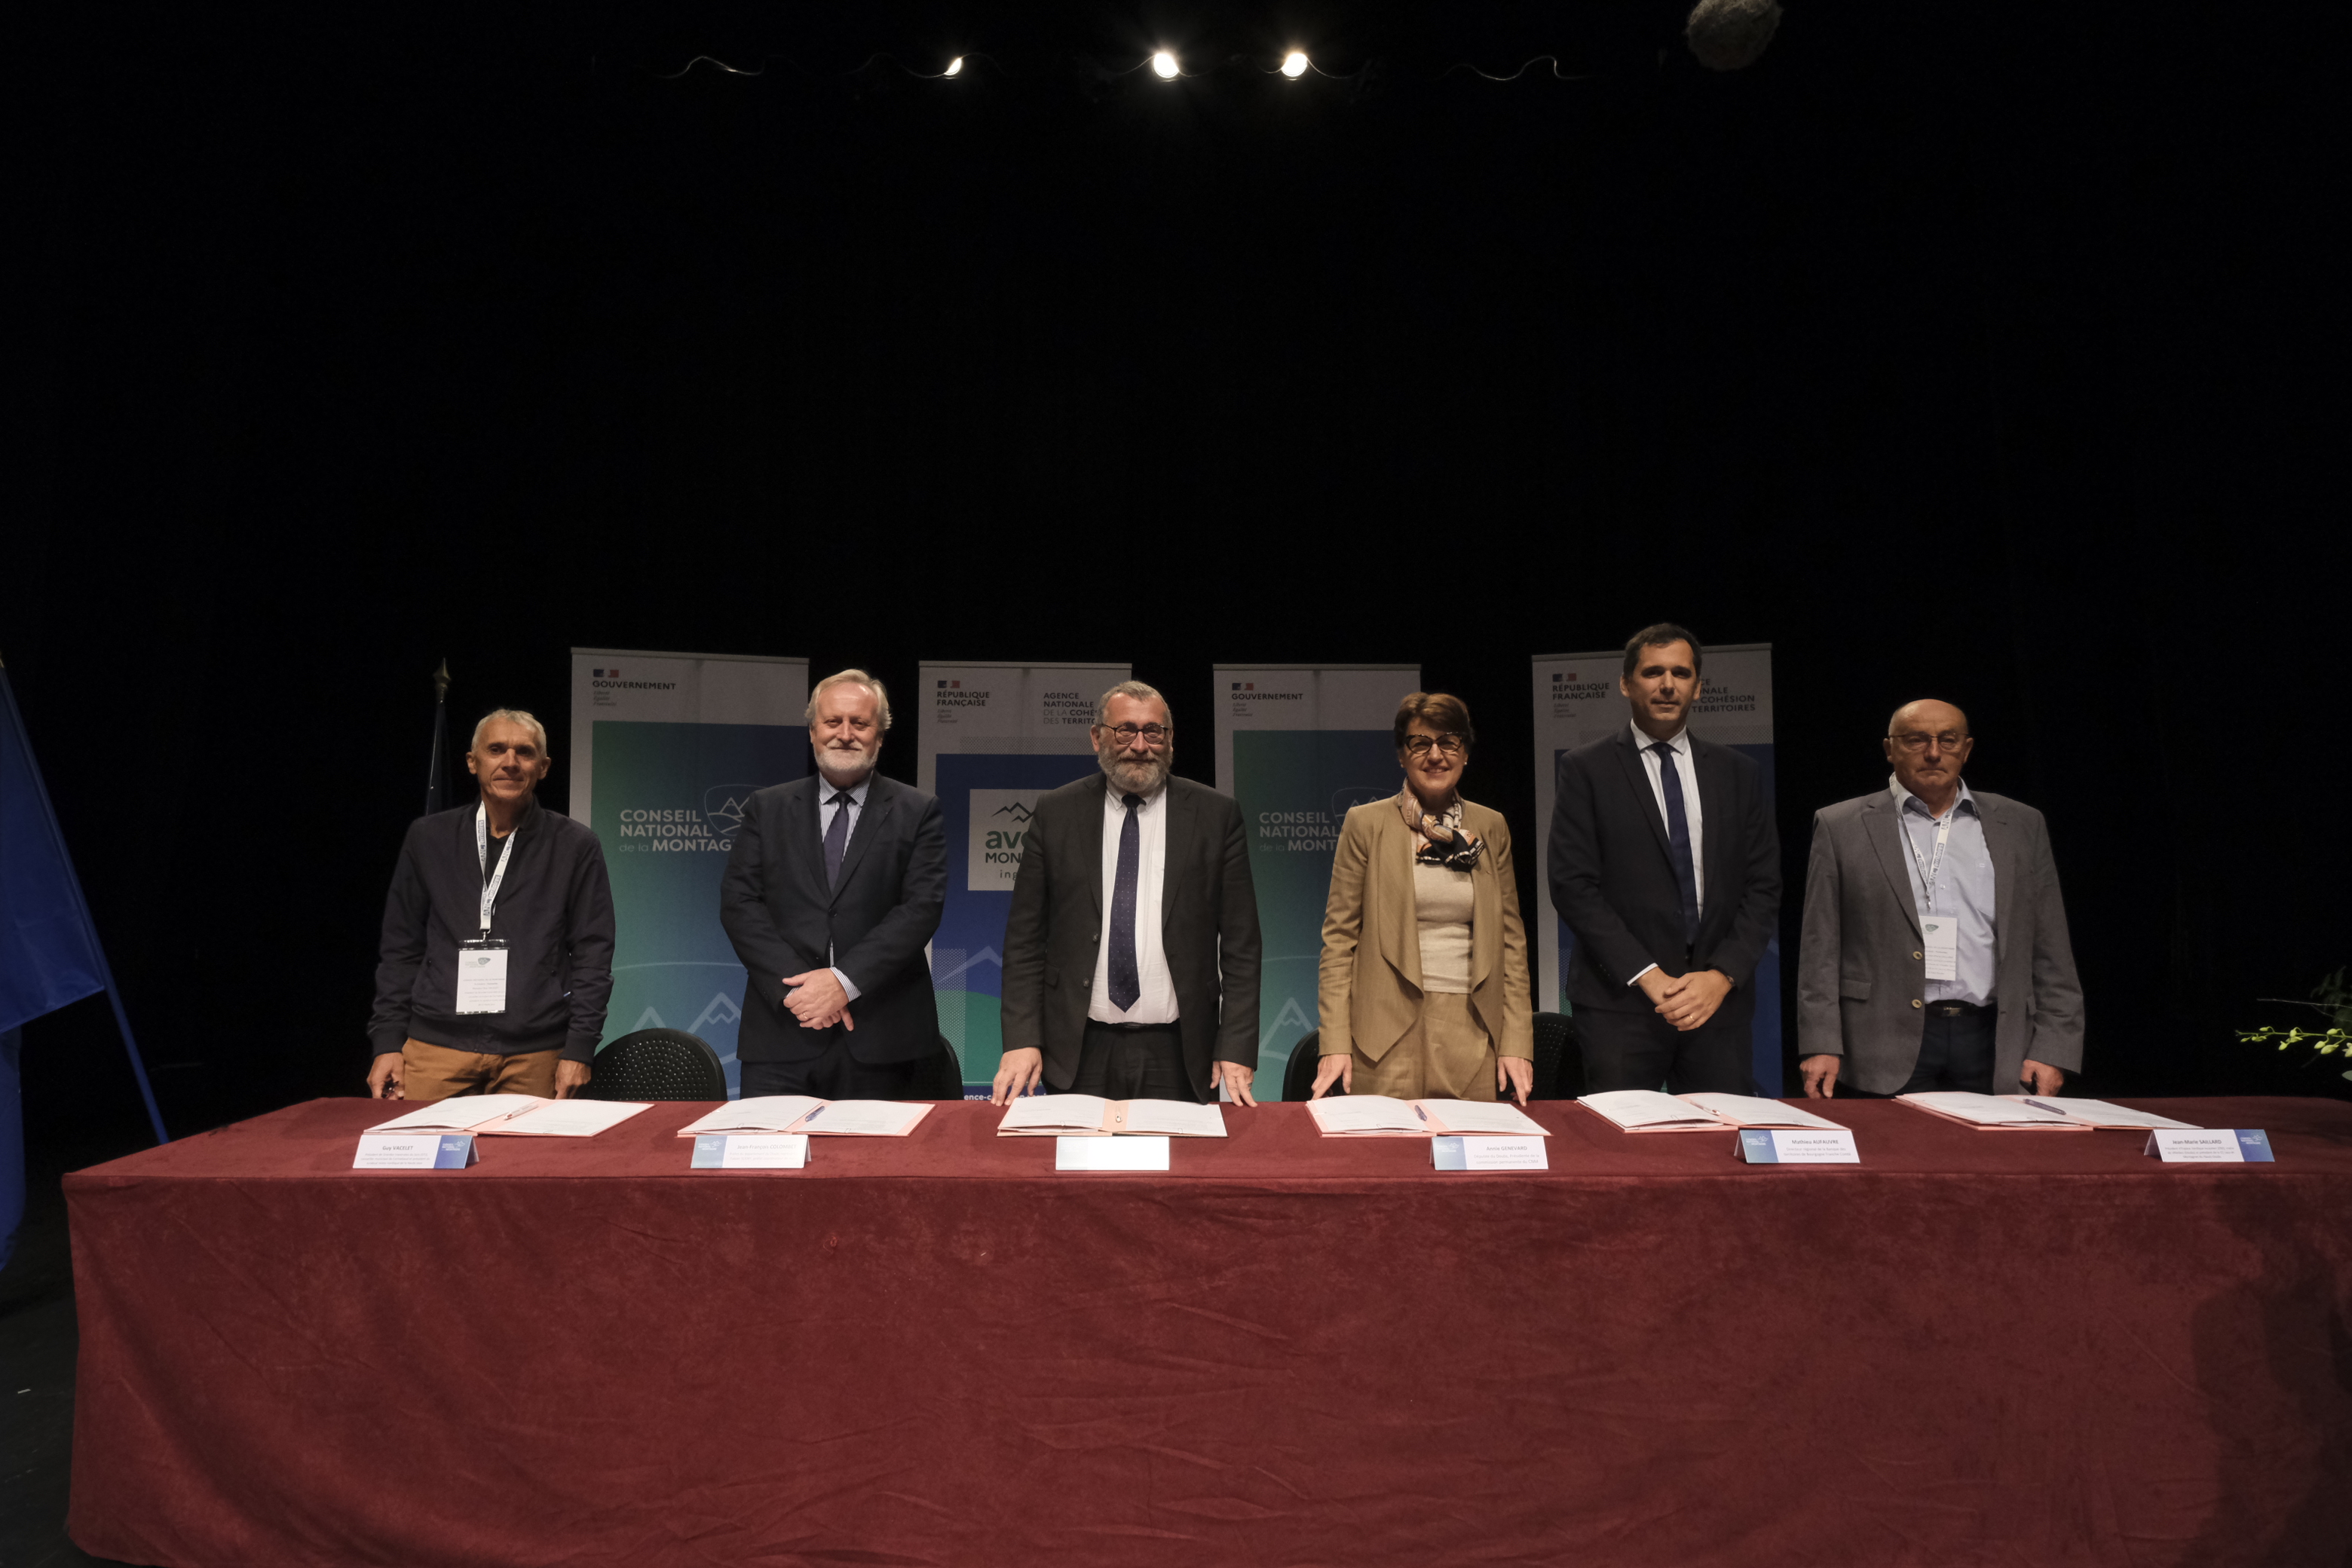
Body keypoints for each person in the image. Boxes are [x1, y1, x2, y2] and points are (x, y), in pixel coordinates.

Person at [1796, 699, 2084, 1098]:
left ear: (1966, 750)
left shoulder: (2020, 823)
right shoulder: (1840, 825)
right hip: (1880, 1042)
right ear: (1889, 749)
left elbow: (2050, 945)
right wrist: (1821, 1042)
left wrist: (2054, 1046)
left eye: (1948, 740)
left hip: (1995, 1040)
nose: (1934, 752)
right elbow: (1820, 948)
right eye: (1916, 740)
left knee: (1994, 1161)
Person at [994, 681, 1263, 1106]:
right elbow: (1024, 941)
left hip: (1179, 1052)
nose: (1140, 745)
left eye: (1153, 732)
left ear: (1170, 739)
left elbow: (1242, 947)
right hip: (1077, 1050)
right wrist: (1022, 1039)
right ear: (1097, 737)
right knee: (1078, 1172)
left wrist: (1237, 1044)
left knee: (1176, 1173)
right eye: (1125, 731)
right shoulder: (1056, 812)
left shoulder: (1217, 816)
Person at [1546, 624, 1781, 1094]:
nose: (1667, 684)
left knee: (1720, 1152)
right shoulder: (1585, 768)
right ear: (1626, 683)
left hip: (1718, 1006)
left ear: (1698, 685)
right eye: (1653, 672)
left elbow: (1764, 886)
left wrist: (1720, 977)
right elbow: (1573, 885)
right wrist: (1648, 976)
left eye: (1681, 672)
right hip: (1621, 1004)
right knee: (1623, 1154)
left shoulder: (1739, 773)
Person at [720, 669, 947, 1098]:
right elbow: (740, 904)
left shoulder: (919, 811)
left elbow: (921, 909)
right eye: (832, 722)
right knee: (768, 1166)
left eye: (860, 723)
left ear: (879, 736)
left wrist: (842, 982)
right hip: (782, 1032)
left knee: (874, 1166)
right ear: (812, 732)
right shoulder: (766, 809)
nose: (845, 734)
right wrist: (803, 993)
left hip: (883, 1038)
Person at [368, 709, 614, 1101]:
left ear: (544, 767)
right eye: (497, 749)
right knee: (418, 1163)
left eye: (525, 752)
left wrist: (579, 1049)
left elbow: (593, 955)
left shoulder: (575, 846)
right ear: (473, 762)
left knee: (532, 1164)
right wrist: (387, 1042)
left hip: (536, 1055)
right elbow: (401, 948)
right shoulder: (429, 838)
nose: (510, 762)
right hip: (436, 1051)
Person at [1312, 693, 1535, 1104]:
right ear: (1402, 754)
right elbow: (1339, 942)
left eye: (1449, 742)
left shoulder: (1491, 826)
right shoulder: (1366, 824)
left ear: (1465, 752)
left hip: (1471, 1025)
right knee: (1388, 1162)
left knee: (1464, 1160)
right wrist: (1335, 1041)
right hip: (1382, 1032)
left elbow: (1511, 943)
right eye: (1420, 743)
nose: (1436, 755)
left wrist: (1517, 1041)